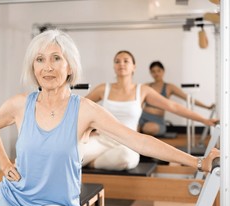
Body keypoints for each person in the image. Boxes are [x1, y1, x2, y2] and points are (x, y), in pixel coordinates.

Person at [0, 30, 219, 206]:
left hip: (57, 205)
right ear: (33, 67)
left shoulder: (85, 110)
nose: (47, 67)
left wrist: (197, 161)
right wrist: (3, 163)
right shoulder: (19, 104)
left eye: (55, 59)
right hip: (11, 194)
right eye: (40, 60)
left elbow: (138, 141)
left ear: (69, 67)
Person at [82, 51, 217, 170]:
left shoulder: (142, 90)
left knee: (128, 158)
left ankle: (93, 164)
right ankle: (90, 159)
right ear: (114, 67)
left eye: (126, 61)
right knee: (73, 154)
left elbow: (173, 106)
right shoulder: (103, 89)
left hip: (128, 142)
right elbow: (79, 107)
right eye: (117, 61)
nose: (121, 64)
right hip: (102, 139)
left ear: (134, 67)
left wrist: (204, 120)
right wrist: (86, 131)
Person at [139, 60, 215, 136]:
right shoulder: (146, 86)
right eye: (153, 71)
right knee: (133, 128)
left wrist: (207, 107)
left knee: (148, 128)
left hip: (157, 120)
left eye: (158, 71)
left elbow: (187, 98)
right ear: (150, 73)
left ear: (163, 71)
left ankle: (141, 131)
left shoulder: (169, 87)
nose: (156, 73)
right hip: (142, 116)